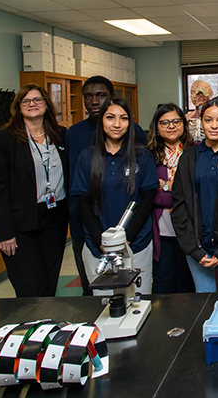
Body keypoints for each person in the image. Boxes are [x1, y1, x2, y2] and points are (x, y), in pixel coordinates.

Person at [66, 76, 147, 295]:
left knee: (134, 294)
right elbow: (76, 186)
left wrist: (129, 234)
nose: (94, 101)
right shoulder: (76, 137)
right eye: (88, 96)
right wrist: (95, 235)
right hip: (88, 225)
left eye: (100, 95)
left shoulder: (136, 138)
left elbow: (145, 189)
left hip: (131, 231)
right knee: (93, 290)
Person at [0, 84, 68, 297]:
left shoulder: (59, 134)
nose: (32, 104)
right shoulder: (4, 139)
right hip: (21, 224)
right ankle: (31, 319)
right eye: (26, 101)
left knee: (49, 281)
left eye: (37, 99)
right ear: (18, 107)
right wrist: (4, 233)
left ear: (46, 104)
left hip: (54, 219)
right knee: (30, 286)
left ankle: (47, 317)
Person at [172, 99, 218, 292]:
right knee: (204, 298)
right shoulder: (189, 157)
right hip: (198, 244)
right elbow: (179, 206)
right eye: (208, 120)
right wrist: (193, 250)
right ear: (201, 122)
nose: (214, 126)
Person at [146, 103, 196, 293]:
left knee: (187, 281)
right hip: (162, 229)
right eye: (164, 122)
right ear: (156, 127)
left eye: (176, 121)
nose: (171, 126)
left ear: (184, 123)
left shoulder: (195, 151)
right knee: (162, 280)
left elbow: (196, 192)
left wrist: (165, 186)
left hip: (189, 227)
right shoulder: (149, 155)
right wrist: (178, 190)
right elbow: (151, 194)